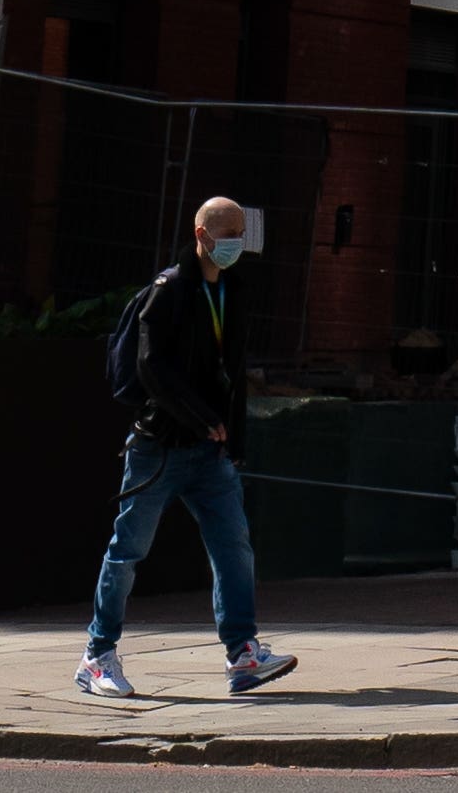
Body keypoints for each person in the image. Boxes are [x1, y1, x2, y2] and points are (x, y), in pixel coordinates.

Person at [78, 195, 300, 703]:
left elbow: (234, 373)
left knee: (234, 549)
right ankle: (97, 655)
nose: (236, 246)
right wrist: (201, 419)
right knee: (128, 551)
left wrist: (231, 440)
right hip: (159, 449)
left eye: (241, 235)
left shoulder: (234, 293)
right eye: (226, 236)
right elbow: (153, 367)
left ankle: (242, 655)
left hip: (211, 453)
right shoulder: (169, 291)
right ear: (201, 236)